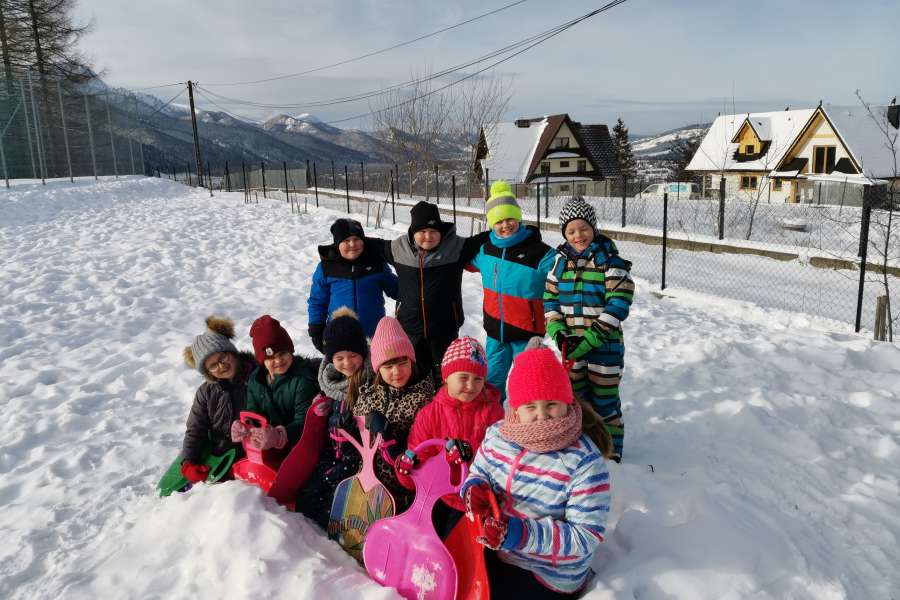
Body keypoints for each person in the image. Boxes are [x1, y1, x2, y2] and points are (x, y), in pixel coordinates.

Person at [460, 338, 613, 598]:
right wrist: (474, 489)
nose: (542, 416)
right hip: (498, 548)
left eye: (551, 404)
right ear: (516, 409)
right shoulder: (498, 435)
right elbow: (479, 471)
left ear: (566, 401)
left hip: (548, 572)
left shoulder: (583, 462)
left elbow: (585, 535)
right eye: (531, 407)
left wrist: (520, 534)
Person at [544, 196, 634, 463]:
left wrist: (591, 338)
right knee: (577, 401)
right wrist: (558, 332)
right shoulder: (559, 264)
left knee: (604, 402)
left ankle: (611, 452)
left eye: (583, 228)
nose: (578, 235)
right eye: (571, 230)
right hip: (571, 349)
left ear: (593, 228)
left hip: (605, 350)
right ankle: (581, 449)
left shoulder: (611, 263)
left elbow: (618, 304)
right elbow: (550, 300)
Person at [394, 336, 503, 537]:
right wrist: (405, 468)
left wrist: (471, 462)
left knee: (461, 545)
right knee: (424, 536)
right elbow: (418, 462)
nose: (470, 386)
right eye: (463, 377)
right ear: (446, 376)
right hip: (438, 498)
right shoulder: (429, 415)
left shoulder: (493, 413)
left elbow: (501, 462)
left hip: (475, 501)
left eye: (477, 379)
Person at [377, 201, 489, 384]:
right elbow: (367, 246)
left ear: (440, 232)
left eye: (433, 231)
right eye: (421, 232)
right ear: (413, 233)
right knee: (414, 373)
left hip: (445, 326)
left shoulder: (456, 248)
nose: (427, 236)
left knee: (445, 373)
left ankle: (443, 406)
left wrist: (523, 233)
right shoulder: (398, 249)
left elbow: (487, 237)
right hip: (409, 326)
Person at [468, 181, 557, 398]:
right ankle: (492, 426)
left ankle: (525, 427)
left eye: (509, 218)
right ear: (491, 224)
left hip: (526, 335)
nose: (505, 225)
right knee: (492, 386)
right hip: (495, 334)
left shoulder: (540, 253)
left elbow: (567, 272)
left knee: (528, 387)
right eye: (498, 221)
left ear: (518, 217)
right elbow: (462, 261)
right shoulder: (486, 250)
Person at [296, 307, 373, 529]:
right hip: (333, 455)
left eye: (353, 355)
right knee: (305, 503)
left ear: (363, 354)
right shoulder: (328, 384)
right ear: (331, 360)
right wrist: (320, 409)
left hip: (357, 462)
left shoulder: (369, 382)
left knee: (332, 515)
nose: (347, 363)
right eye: (339, 357)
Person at [352, 315, 435, 510]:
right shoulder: (369, 395)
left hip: (402, 489)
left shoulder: (424, 399)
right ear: (378, 369)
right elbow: (356, 431)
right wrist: (343, 423)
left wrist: (393, 437)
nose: (396, 372)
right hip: (366, 481)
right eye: (388, 366)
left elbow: (425, 446)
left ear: (411, 361)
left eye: (402, 363)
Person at [179, 316, 256, 484]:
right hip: (220, 458)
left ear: (232, 352)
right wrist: (188, 463)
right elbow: (195, 430)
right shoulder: (206, 392)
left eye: (222, 358)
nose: (221, 366)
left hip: (255, 454)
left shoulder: (257, 377)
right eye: (212, 365)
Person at [230, 315, 322, 452]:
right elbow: (252, 410)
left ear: (291, 351)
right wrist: (246, 425)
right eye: (270, 358)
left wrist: (280, 435)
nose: (278, 361)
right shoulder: (256, 381)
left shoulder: (301, 379)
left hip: (299, 446)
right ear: (262, 361)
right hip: (269, 446)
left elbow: (305, 421)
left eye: (283, 353)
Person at [308, 218, 398, 351]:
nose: (352, 244)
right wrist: (316, 327)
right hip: (340, 334)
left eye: (356, 239)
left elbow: (396, 288)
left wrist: (413, 292)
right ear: (337, 244)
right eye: (346, 241)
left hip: (374, 333)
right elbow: (317, 301)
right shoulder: (326, 267)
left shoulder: (376, 263)